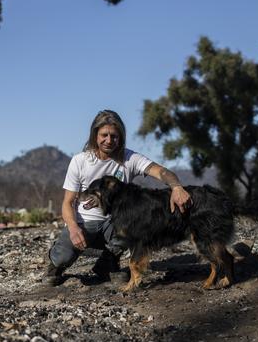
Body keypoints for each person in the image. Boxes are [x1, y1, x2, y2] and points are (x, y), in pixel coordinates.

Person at [45, 109, 192, 286]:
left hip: (114, 223)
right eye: (104, 135)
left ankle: (107, 262)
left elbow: (162, 172)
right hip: (84, 224)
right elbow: (67, 202)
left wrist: (176, 187)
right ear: (95, 135)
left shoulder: (130, 158)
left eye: (114, 136)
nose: (109, 140)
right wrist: (74, 228)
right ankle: (55, 262)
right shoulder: (80, 160)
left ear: (121, 137)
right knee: (63, 257)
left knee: (133, 224)